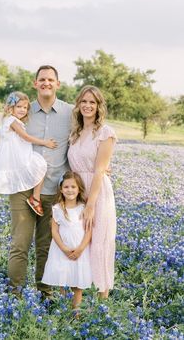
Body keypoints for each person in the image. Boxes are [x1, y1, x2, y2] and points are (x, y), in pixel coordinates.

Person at [7, 66, 73, 298]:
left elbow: (87, 137)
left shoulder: (70, 112)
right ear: (35, 83)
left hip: (53, 190)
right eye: (42, 79)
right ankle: (13, 294)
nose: (46, 83)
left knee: (46, 246)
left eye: (50, 79)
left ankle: (45, 293)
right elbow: (6, 136)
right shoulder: (23, 111)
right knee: (20, 244)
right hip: (23, 189)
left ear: (58, 84)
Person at [68, 85, 117, 299]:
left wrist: (90, 204)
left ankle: (101, 304)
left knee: (99, 245)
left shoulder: (105, 132)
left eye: (92, 102)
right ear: (78, 105)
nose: (87, 106)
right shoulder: (75, 133)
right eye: (84, 102)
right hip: (76, 193)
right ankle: (76, 305)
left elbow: (99, 169)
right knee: (78, 243)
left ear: (99, 107)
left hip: (98, 194)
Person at [0, 91, 57, 217]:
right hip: (18, 156)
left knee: (35, 168)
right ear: (10, 107)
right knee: (40, 165)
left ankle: (33, 196)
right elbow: (26, 137)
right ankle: (35, 198)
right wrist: (45, 142)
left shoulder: (8, 120)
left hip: (12, 156)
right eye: (19, 107)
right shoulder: (13, 121)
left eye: (25, 107)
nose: (23, 110)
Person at [42, 171, 92, 312]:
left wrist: (80, 249)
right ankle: (63, 313)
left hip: (79, 252)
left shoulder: (84, 208)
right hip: (61, 251)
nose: (69, 190)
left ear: (79, 189)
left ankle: (75, 315)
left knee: (77, 285)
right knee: (62, 282)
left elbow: (89, 231)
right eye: (66, 187)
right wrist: (64, 248)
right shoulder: (57, 208)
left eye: (73, 187)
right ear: (61, 189)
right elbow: (54, 231)